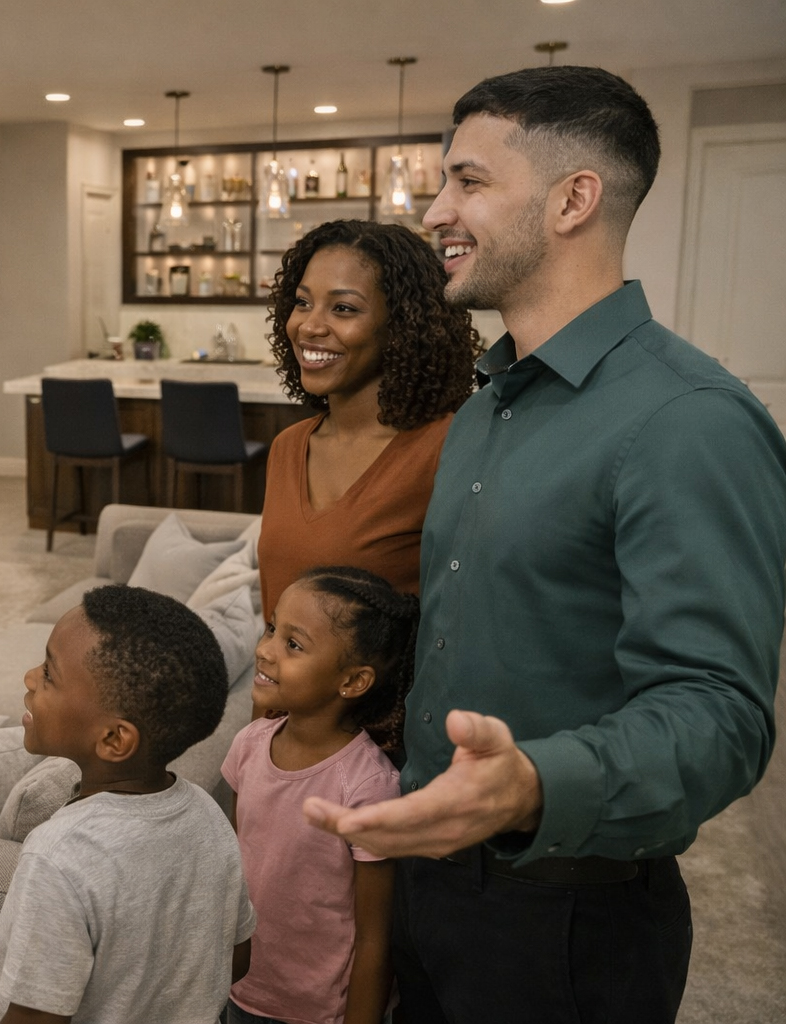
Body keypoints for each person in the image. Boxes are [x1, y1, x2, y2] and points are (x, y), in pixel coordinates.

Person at [303, 66, 786, 1023]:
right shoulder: (487, 407)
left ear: (575, 198)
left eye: (470, 182)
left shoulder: (690, 421)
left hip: (567, 913)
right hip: (429, 874)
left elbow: (721, 715)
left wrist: (532, 784)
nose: (435, 209)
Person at [0, 585, 256, 1024]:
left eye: (49, 674)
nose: (30, 677)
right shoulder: (208, 815)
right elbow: (238, 958)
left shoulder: (60, 855)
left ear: (114, 739)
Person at [259, 220, 479, 616]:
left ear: (401, 327)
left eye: (343, 308)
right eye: (303, 302)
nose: (309, 326)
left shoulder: (447, 449)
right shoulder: (288, 447)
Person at [223, 566, 412, 1024]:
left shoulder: (370, 790)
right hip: (240, 991)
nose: (265, 651)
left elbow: (375, 940)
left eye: (293, 644)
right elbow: (227, 868)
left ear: (352, 681)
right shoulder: (249, 744)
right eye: (271, 628)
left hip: (321, 1012)